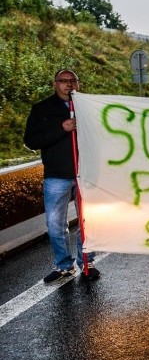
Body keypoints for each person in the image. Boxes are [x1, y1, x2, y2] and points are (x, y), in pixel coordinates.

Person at [23, 69, 100, 283]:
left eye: (73, 80)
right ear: (55, 83)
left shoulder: (89, 107)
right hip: (57, 174)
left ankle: (87, 261)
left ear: (79, 83)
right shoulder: (42, 109)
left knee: (87, 220)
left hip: (84, 172)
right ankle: (63, 265)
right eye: (64, 81)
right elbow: (31, 140)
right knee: (55, 223)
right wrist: (62, 128)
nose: (69, 85)